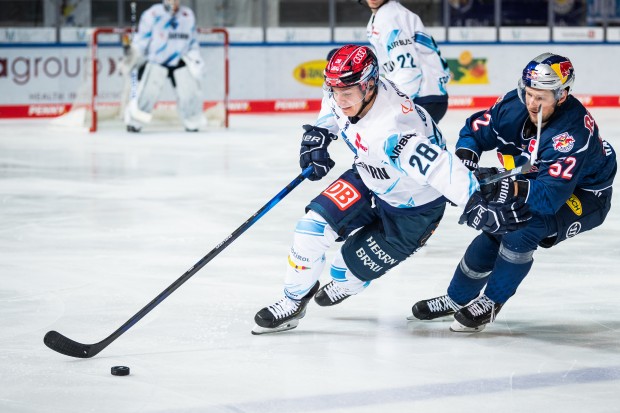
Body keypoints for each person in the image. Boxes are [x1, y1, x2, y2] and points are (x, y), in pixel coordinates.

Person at [251, 45, 531, 335]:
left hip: (413, 211)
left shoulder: (393, 131)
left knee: (342, 272)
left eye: (347, 92)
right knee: (310, 230)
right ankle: (292, 301)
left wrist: (473, 202)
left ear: (370, 85)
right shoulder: (352, 89)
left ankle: (349, 281)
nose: (340, 99)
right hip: (369, 177)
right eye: (335, 90)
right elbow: (333, 98)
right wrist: (321, 132)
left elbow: (438, 166)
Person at [410, 52, 616, 333]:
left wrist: (503, 185)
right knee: (496, 226)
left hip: (585, 193)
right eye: (529, 93)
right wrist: (466, 158)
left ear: (562, 95)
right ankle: (456, 298)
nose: (532, 103)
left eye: (541, 97)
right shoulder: (512, 106)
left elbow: (549, 198)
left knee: (523, 226)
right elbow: (474, 130)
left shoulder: (571, 134)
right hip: (538, 175)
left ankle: (492, 302)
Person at [361, 0, 450, 123]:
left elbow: (409, 70)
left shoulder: (390, 17)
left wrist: (396, 104)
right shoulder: (381, 16)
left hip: (422, 98)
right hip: (428, 96)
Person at [122, 0, 205, 133]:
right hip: (157, 61)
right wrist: (133, 54)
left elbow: (193, 42)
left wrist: (196, 60)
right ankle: (135, 122)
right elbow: (141, 40)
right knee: (147, 95)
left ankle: (192, 122)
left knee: (190, 94)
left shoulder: (187, 15)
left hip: (179, 60)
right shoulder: (152, 14)